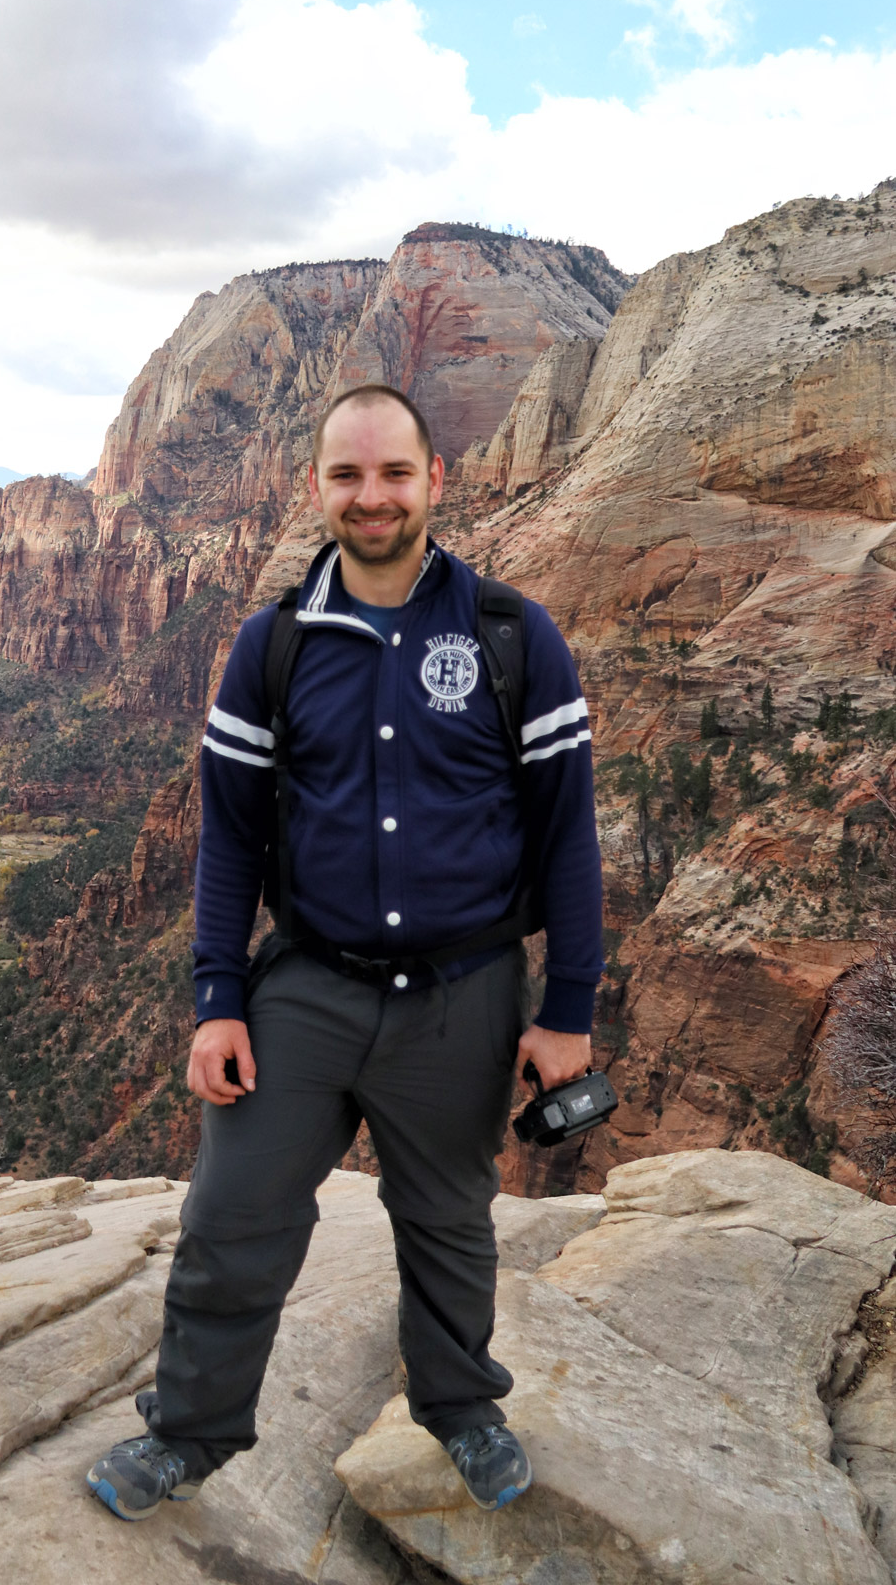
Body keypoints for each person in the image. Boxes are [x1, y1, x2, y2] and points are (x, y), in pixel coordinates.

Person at [88, 382, 604, 1522]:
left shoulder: (512, 636)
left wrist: (567, 1004)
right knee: (233, 1212)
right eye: (347, 474)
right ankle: (188, 1431)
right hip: (307, 986)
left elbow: (568, 830)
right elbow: (227, 832)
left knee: (449, 1219)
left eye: (393, 472)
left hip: (465, 991)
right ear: (316, 485)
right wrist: (215, 998)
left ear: (434, 480)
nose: (371, 496)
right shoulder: (272, 644)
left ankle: (461, 1406)